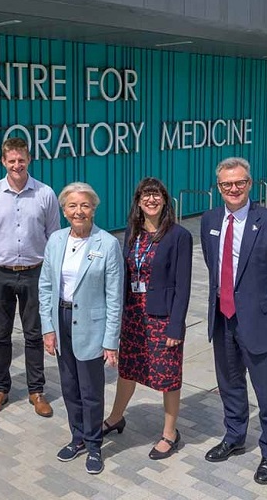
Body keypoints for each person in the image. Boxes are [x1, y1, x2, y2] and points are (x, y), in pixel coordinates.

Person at [200, 157, 267, 485]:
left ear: (250, 184)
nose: (233, 189)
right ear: (218, 188)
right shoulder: (210, 219)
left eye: (239, 182)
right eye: (226, 184)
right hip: (223, 318)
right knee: (230, 384)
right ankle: (234, 436)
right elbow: (212, 264)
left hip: (261, 322)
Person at [103, 177, 193, 460]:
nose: (151, 200)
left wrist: (176, 325)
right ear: (138, 201)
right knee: (127, 370)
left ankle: (170, 433)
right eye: (145, 195)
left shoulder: (179, 236)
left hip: (162, 318)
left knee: (167, 376)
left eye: (156, 195)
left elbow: (183, 285)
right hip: (133, 315)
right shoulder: (132, 233)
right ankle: (116, 417)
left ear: (165, 200)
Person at [38, 182, 123, 475]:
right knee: (69, 386)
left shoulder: (107, 244)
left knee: (91, 390)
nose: (79, 211)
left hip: (92, 325)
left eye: (84, 205)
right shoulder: (56, 240)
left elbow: (114, 296)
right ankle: (77, 438)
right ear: (64, 210)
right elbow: (46, 286)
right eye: (72, 206)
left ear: (94, 208)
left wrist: (111, 340)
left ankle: (94, 444)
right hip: (61, 320)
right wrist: (47, 328)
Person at [0, 137, 60, 417]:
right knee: (1, 335)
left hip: (35, 273)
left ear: (29, 159)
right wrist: (2, 257)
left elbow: (53, 235)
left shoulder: (45, 194)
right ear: (3, 161)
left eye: (21, 160)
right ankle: (1, 389)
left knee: (34, 334)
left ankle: (37, 391)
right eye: (11, 160)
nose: (16, 165)